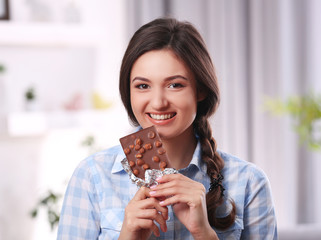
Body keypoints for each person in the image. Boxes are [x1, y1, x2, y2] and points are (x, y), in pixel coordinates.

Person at [57, 17, 277, 240]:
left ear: (200, 89)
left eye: (175, 85)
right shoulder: (92, 176)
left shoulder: (249, 182)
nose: (158, 102)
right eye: (143, 86)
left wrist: (203, 233)